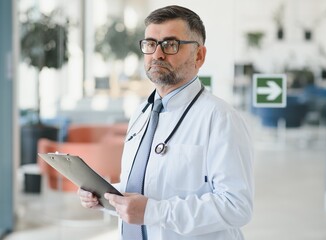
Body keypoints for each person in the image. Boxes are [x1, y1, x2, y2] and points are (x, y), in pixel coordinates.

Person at [78, 5, 254, 240]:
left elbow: (236, 206)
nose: (157, 54)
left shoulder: (220, 118)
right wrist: (105, 196)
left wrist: (153, 212)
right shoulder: (141, 112)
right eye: (150, 44)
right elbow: (147, 187)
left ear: (199, 56)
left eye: (171, 45)